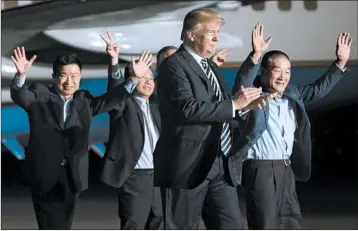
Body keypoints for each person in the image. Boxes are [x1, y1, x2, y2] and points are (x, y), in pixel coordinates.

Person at [154, 9, 269, 229]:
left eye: (218, 32)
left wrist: (242, 108)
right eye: (211, 32)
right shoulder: (173, 66)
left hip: (219, 164)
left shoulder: (210, 67)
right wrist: (234, 104)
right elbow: (187, 108)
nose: (217, 37)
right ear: (190, 34)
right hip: (187, 165)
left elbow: (220, 107)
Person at [232, 23, 352, 229]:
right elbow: (242, 83)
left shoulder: (292, 94)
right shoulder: (251, 96)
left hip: (285, 169)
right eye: (278, 71)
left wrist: (340, 63)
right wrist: (255, 55)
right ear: (264, 71)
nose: (283, 77)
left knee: (291, 222)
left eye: (288, 71)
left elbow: (317, 90)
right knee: (265, 223)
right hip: (260, 170)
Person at [9, 46, 131, 229]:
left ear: (80, 77)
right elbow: (20, 95)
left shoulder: (84, 99)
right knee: (53, 224)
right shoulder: (40, 94)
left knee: (65, 224)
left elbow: (112, 99)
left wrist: (116, 65)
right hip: (44, 175)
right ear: (54, 77)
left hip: (73, 176)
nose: (69, 81)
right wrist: (20, 76)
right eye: (64, 75)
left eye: (74, 76)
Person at [100, 32, 163, 229]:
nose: (148, 81)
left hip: (160, 177)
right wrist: (114, 61)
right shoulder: (123, 105)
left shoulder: (157, 108)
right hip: (135, 178)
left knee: (159, 223)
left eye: (150, 77)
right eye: (142, 77)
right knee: (134, 224)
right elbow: (115, 93)